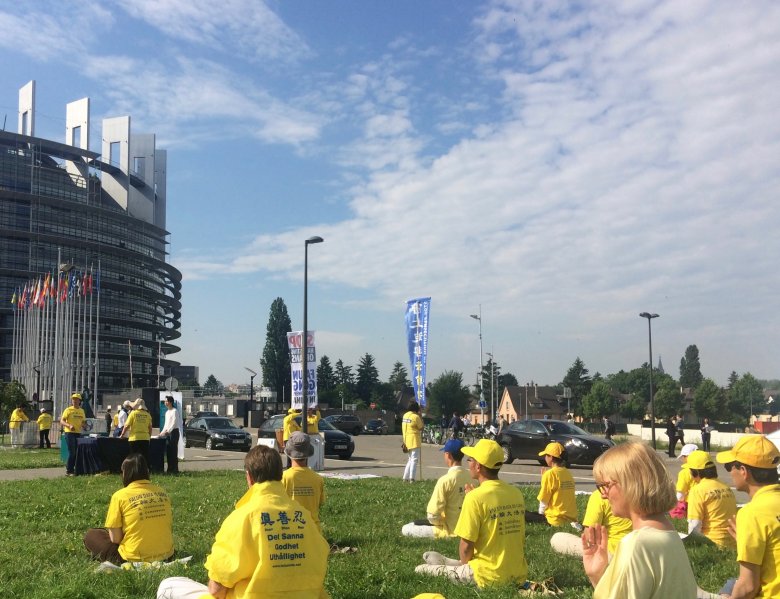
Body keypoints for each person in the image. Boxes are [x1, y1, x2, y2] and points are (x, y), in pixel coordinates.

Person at [156, 445, 330, 599]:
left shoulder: (243, 517)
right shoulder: (304, 517)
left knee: (169, 585)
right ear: (280, 475)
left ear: (249, 478)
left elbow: (216, 590)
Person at [582, 442, 697, 598]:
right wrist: (596, 575)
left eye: (605, 485)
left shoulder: (637, 544)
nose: (603, 494)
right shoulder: (670, 534)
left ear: (630, 485)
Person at [414, 439, 528, 588]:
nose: (468, 463)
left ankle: (451, 567)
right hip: (517, 573)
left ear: (478, 466)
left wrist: (465, 567)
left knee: (420, 569)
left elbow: (466, 547)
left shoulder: (475, 498)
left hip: (488, 576)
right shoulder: (516, 493)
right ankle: (450, 564)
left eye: (470, 460)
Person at [709, 436, 780, 599]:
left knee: (730, 588)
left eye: (729, 466)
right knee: (731, 583)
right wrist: (745, 542)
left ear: (743, 471)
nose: (729, 472)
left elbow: (748, 587)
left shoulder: (752, 513)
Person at [83, 453, 173, 564]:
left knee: (91, 535)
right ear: (146, 471)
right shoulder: (162, 492)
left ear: (125, 473)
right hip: (166, 555)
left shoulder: (120, 496)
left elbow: (115, 539)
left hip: (132, 559)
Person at [402, 438, 472, 538]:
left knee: (407, 528)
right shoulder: (472, 478)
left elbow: (433, 516)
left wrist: (440, 521)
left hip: (450, 529)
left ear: (448, 455)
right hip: (468, 528)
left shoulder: (445, 481)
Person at [551, 488, 632, 557]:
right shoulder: (637, 492)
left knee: (557, 538)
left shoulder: (600, 495)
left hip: (610, 554)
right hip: (636, 552)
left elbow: (589, 536)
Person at [683, 450, 736, 548]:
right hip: (732, 543)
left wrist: (691, 545)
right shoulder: (726, 487)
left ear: (695, 472)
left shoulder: (697, 490)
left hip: (711, 544)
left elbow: (694, 524)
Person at [282, 432, 325, 530]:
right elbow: (320, 503)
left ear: (288, 452)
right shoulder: (318, 479)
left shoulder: (284, 477)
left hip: (291, 530)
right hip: (313, 530)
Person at [535, 441, 578, 526]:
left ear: (550, 457)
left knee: (525, 515)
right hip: (570, 519)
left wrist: (540, 515)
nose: (545, 458)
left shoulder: (550, 474)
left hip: (555, 520)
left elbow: (544, 499)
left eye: (546, 455)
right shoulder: (567, 473)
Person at [670, 443, 699, 519]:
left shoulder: (684, 472)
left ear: (687, 457)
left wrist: (677, 506)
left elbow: (680, 492)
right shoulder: (703, 469)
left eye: (683, 456)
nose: (683, 459)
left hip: (690, 503)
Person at [60, 393, 86, 476]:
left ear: (79, 401)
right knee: (72, 452)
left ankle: (75, 469)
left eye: (76, 399)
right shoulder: (68, 410)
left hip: (78, 433)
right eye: (73, 399)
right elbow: (62, 421)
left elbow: (83, 422)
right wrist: (69, 425)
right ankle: (69, 471)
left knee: (77, 452)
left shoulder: (82, 411)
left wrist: (84, 425)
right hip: (69, 433)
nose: (74, 400)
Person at [121, 398, 152, 465]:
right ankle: (144, 469)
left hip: (134, 438)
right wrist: (149, 436)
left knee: (134, 456)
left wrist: (122, 434)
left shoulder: (133, 413)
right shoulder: (148, 414)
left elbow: (126, 426)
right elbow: (150, 427)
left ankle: (134, 469)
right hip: (145, 438)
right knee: (144, 456)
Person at [402, 400, 423, 482]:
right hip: (414, 440)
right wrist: (420, 416)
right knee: (414, 459)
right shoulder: (415, 417)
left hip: (406, 440)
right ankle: (412, 478)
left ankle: (405, 477)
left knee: (410, 459)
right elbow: (421, 427)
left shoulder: (405, 415)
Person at [159, 396, 181, 474]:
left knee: (173, 451)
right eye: (165, 401)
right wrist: (161, 433)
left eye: (166, 401)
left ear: (171, 402)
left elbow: (174, 423)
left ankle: (175, 469)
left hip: (174, 432)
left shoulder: (175, 411)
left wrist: (168, 431)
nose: (165, 403)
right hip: (168, 433)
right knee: (168, 451)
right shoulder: (167, 412)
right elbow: (166, 424)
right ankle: (169, 468)